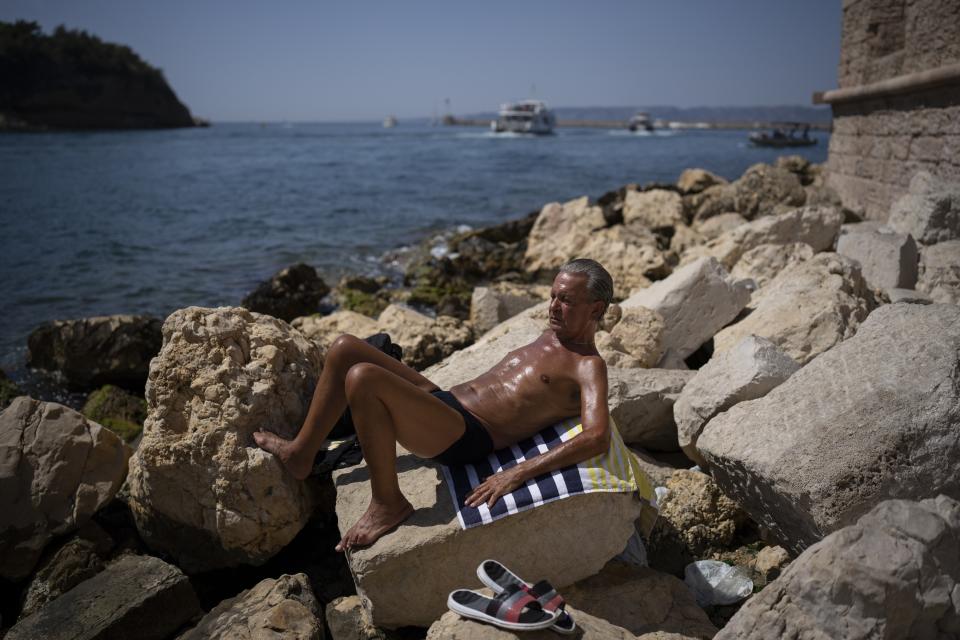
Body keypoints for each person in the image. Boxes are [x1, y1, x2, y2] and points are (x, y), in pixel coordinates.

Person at [253, 258, 614, 552]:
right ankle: (302, 452)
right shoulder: (549, 334)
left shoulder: (587, 365)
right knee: (345, 347)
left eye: (566, 300)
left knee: (363, 377)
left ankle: (388, 503)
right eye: (553, 296)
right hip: (445, 401)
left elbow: (598, 436)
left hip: (466, 434)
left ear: (595, 308)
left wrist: (518, 472)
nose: (553, 306)